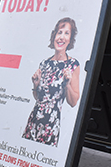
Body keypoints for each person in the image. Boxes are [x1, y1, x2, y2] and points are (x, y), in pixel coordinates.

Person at [22, 17, 80, 147]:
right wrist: (35, 85)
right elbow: (38, 98)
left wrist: (67, 84)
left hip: (50, 125)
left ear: (70, 40)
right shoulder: (44, 63)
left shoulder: (72, 65)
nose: (62, 37)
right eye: (59, 32)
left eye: (66, 33)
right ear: (54, 35)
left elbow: (73, 102)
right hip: (33, 120)